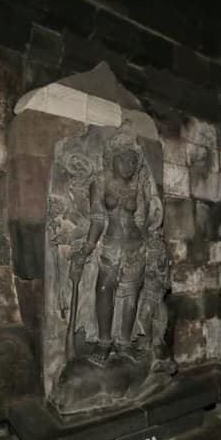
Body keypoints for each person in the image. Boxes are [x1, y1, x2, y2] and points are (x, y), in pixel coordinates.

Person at [69, 134, 149, 366]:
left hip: (135, 247)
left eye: (133, 161)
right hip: (111, 244)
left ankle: (124, 342)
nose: (128, 165)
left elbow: (142, 218)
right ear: (111, 160)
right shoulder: (101, 182)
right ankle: (104, 341)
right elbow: (98, 219)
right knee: (104, 289)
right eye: (123, 159)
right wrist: (86, 248)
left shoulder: (138, 185)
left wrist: (148, 245)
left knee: (132, 296)